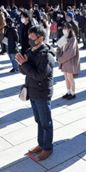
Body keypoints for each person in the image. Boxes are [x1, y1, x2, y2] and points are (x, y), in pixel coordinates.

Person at [17, 25, 55, 161]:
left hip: (42, 92)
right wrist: (21, 64)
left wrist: (25, 65)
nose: (30, 41)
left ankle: (47, 147)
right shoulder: (30, 51)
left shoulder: (47, 56)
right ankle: (41, 143)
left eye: (32, 38)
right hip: (32, 90)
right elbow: (24, 71)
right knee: (38, 120)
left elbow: (39, 75)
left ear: (41, 38)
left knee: (46, 122)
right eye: (29, 38)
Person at [56, 22, 80, 100]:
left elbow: (71, 51)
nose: (64, 30)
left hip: (69, 60)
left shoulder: (72, 38)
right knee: (66, 77)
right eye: (64, 28)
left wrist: (61, 58)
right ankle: (68, 91)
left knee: (70, 77)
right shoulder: (64, 37)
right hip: (64, 60)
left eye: (66, 28)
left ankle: (73, 93)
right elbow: (59, 47)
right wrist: (58, 56)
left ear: (70, 29)